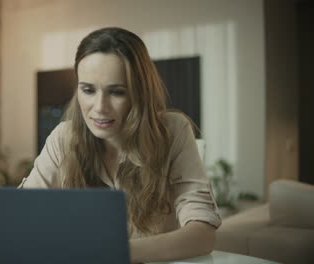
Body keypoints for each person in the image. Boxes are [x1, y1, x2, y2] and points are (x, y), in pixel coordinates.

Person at [19, 27, 221, 263]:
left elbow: (203, 235)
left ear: (140, 93)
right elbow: (22, 216)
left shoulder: (173, 131)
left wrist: (116, 252)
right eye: (88, 90)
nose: (100, 107)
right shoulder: (63, 137)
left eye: (116, 92)